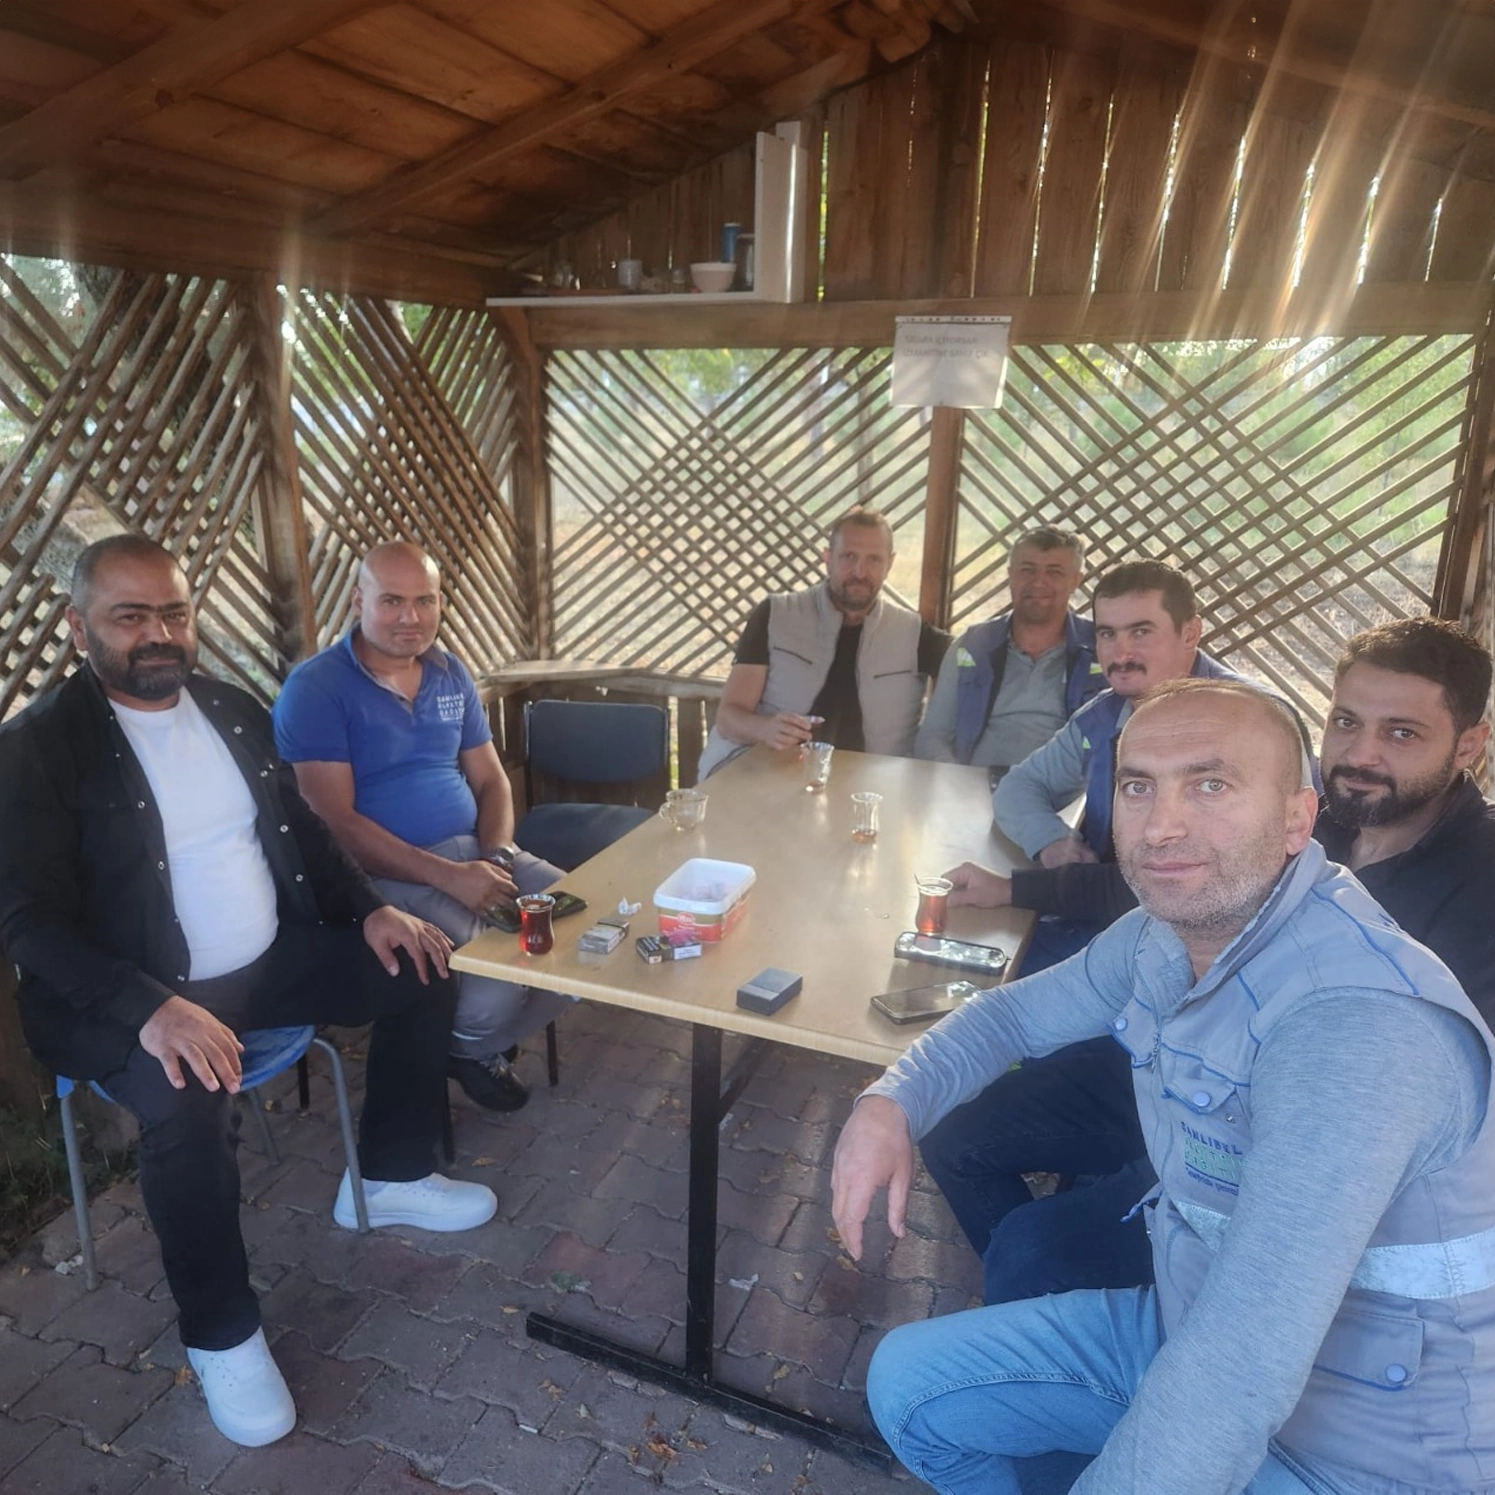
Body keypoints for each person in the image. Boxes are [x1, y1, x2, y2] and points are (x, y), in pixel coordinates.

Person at [832, 678, 1495, 1495]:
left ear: (1297, 818)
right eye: (1138, 785)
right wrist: (890, 1100)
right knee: (910, 1385)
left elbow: (1239, 1368)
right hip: (1187, 1324)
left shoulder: (1352, 1026)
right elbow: (1010, 1017)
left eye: (1210, 784)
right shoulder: (1162, 934)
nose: (1160, 824)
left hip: (1365, 1446)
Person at [0, 536, 497, 1450]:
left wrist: (372, 910)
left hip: (265, 963)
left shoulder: (229, 708)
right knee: (188, 1098)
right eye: (130, 616)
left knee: (421, 960)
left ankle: (387, 1175)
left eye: (174, 612)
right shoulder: (37, 749)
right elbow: (26, 920)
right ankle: (221, 1333)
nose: (159, 634)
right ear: (77, 627)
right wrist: (152, 1007)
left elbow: (303, 830)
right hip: (133, 997)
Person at [927, 616, 1495, 1307]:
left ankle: (1111, 1320)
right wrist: (1016, 890)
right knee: (954, 1133)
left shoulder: (1481, 889)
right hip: (1177, 1067)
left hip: (1286, 1152)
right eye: (1346, 722)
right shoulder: (1314, 812)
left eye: (1401, 733)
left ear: (1470, 743)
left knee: (1033, 1252)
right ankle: (1077, 1320)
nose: (1360, 754)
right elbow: (1155, 879)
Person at [913, 560, 1238, 1302]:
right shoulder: (1105, 715)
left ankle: (1054, 1281)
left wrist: (1019, 886)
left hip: (1189, 1029)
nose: (1120, 652)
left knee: (993, 1083)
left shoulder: (1237, 733)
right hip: (1106, 963)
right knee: (957, 1085)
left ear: (1191, 633)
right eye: (1110, 634)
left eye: (1142, 632)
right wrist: (1054, 845)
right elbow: (1022, 787)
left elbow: (1152, 888)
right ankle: (1045, 1295)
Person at [272, 541, 573, 1113]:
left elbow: (492, 780)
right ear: (358, 602)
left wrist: (497, 856)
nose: (410, 617)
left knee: (585, 927)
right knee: (498, 969)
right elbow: (332, 823)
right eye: (392, 601)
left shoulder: (449, 671)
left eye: (424, 601)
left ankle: (469, 1045)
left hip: (476, 853)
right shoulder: (317, 688)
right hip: (380, 875)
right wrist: (451, 877)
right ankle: (468, 1045)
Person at [697, 507, 950, 779]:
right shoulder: (777, 615)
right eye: (848, 556)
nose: (860, 571)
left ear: (889, 564)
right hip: (770, 774)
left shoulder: (913, 634)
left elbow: (970, 661)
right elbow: (729, 718)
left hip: (872, 786)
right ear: (827, 558)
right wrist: (765, 728)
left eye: (873, 559)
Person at [914, 527, 1101, 772]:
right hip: (976, 785)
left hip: (1065, 789)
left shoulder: (1100, 649)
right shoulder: (972, 647)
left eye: (1054, 572)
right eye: (1027, 570)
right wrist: (957, 779)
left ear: (1077, 580)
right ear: (1010, 575)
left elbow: (1117, 739)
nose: (1038, 582)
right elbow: (932, 736)